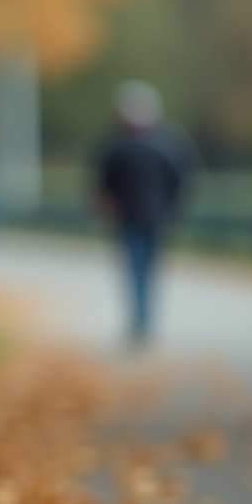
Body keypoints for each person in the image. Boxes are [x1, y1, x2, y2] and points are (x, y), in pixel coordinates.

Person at [95, 80, 194, 345]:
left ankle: (142, 318)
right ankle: (143, 317)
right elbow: (183, 179)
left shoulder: (120, 146)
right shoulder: (165, 145)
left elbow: (104, 187)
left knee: (140, 268)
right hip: (147, 216)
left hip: (144, 216)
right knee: (144, 268)